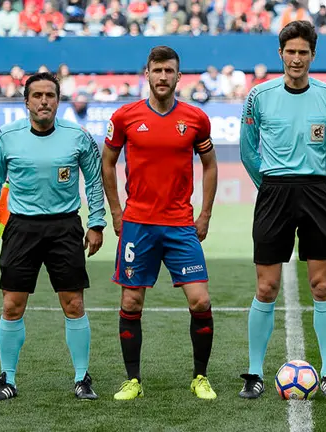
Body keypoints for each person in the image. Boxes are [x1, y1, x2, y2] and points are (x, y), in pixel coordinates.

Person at [239, 20, 326, 399]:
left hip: (316, 191)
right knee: (266, 286)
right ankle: (254, 372)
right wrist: (267, 184)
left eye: (304, 52)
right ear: (280, 54)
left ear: (313, 55)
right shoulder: (259, 96)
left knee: (322, 285)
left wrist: (323, 183)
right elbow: (248, 148)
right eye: (291, 52)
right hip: (273, 190)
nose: (297, 59)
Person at [0, 72, 106, 401]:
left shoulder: (78, 136)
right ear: (26, 102)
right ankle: (7, 379)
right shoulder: (7, 137)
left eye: (50, 95)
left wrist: (96, 223)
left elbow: (94, 181)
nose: (44, 101)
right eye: (37, 95)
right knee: (12, 305)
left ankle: (82, 378)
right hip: (21, 229)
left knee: (74, 303)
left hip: (65, 227)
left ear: (58, 100)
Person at [102, 46, 219, 401]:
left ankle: (200, 377)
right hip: (138, 224)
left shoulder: (196, 119)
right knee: (132, 302)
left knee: (200, 301)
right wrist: (117, 212)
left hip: (181, 225)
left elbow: (210, 165)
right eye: (157, 71)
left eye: (170, 71)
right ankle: (132, 380)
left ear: (179, 76)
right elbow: (106, 163)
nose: (163, 77)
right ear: (147, 74)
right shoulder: (124, 117)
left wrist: (205, 214)